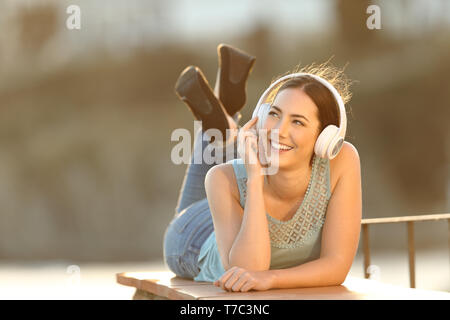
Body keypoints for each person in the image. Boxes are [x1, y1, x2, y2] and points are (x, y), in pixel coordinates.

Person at [163, 44, 362, 293]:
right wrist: (255, 179)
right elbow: (250, 269)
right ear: (261, 115)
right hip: (191, 240)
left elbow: (337, 265)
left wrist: (272, 279)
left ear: (325, 138)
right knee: (198, 202)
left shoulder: (342, 160)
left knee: (221, 185)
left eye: (298, 121)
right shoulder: (222, 179)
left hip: (231, 210)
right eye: (275, 114)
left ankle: (221, 127)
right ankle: (222, 127)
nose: (279, 131)